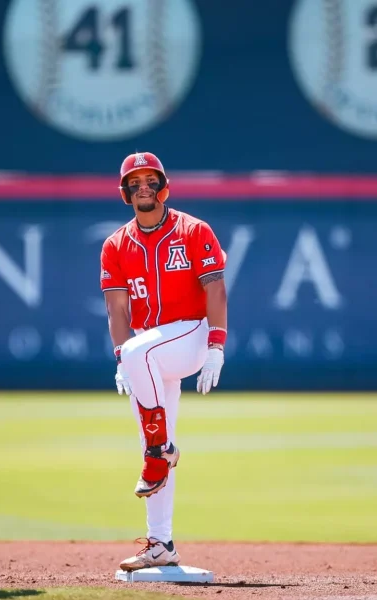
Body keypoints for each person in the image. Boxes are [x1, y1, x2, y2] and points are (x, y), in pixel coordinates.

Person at [100, 152, 229, 572]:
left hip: (190, 334)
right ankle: (161, 543)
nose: (143, 187)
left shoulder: (193, 230)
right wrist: (123, 359)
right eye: (135, 182)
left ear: (163, 187)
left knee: (138, 357)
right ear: (125, 192)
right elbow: (117, 310)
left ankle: (163, 450)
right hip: (148, 348)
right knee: (150, 446)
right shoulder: (115, 245)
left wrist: (216, 346)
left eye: (150, 180)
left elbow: (215, 290)